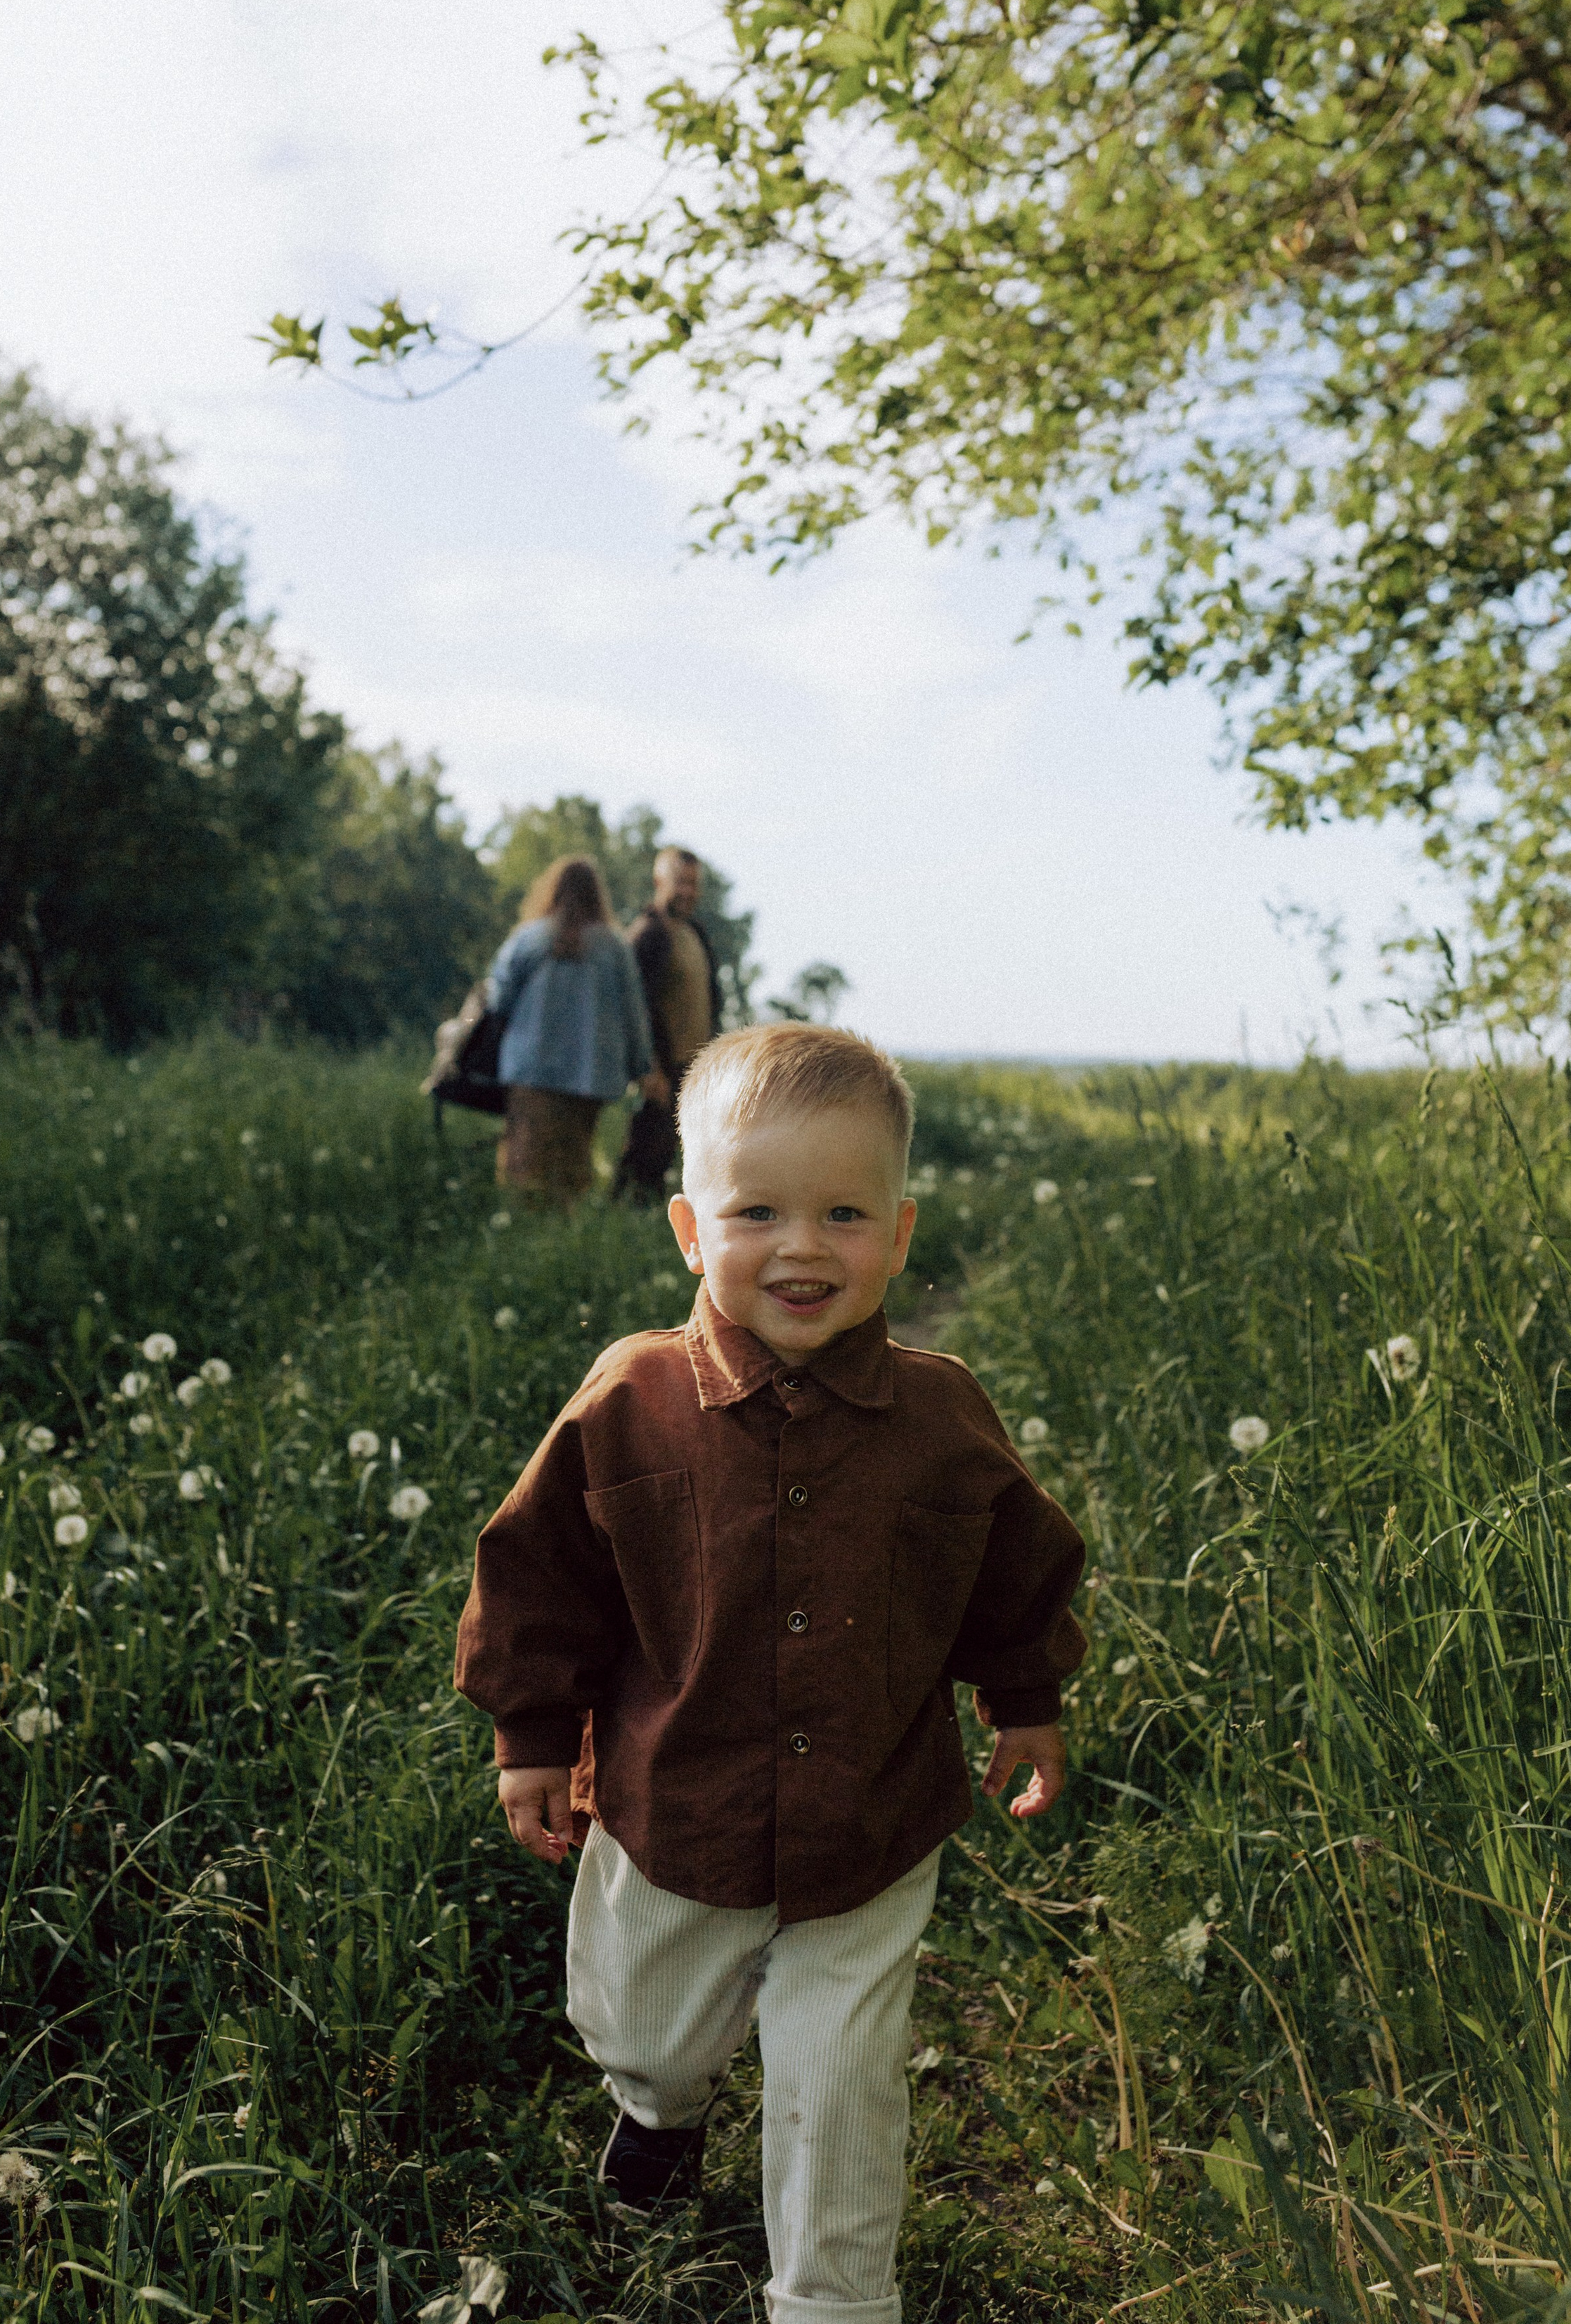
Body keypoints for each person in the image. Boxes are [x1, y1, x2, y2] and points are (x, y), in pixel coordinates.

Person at [455, 1024, 1089, 2324]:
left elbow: (1016, 1562)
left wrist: (1025, 1697)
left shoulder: (942, 1417)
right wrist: (532, 1732)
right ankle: (659, 2106)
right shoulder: (630, 1400)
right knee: (642, 2023)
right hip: (672, 1804)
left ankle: (833, 2298)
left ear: (901, 1236)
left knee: (841, 2073)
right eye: (760, 1212)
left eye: (844, 1213)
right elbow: (540, 1572)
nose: (802, 1247)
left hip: (871, 1817)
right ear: (691, 1230)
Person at [484, 855, 655, 1203]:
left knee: (524, 1170)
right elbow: (634, 1015)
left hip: (530, 1074)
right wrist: (642, 1068)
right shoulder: (615, 947)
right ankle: (561, 1239)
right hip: (589, 1078)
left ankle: (524, 1239)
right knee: (571, 1173)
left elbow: (497, 1000)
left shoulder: (528, 938)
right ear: (598, 895)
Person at [611, 845, 723, 1208]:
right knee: (644, 1149)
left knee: (667, 1156)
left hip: (692, 1069)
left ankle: (647, 1218)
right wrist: (648, 1067)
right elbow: (631, 1006)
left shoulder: (694, 932)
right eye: (681, 883)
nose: (688, 892)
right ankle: (622, 1220)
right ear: (659, 881)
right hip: (660, 1069)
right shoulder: (649, 933)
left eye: (693, 884)